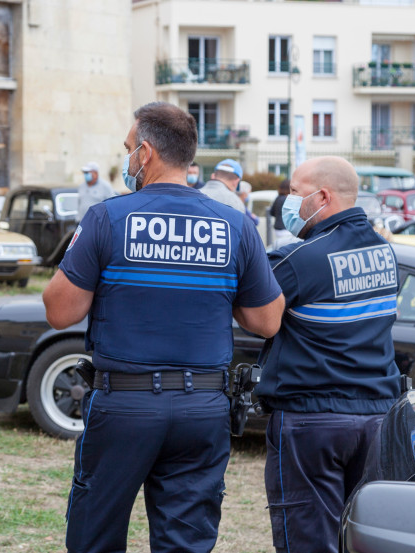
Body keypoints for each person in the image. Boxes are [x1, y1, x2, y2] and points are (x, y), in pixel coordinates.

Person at [43, 101, 285, 553]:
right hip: (202, 407)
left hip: (124, 405)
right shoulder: (235, 224)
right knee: (186, 542)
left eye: (128, 148)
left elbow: (60, 312)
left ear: (147, 154)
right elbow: (267, 321)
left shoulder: (107, 217)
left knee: (95, 533)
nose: (126, 158)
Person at [254, 156, 401, 553]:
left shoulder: (300, 260)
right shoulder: (386, 254)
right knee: (362, 538)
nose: (288, 201)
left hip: (311, 421)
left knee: (309, 540)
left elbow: (254, 315)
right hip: (376, 419)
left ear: (322, 196)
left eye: (294, 192)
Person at [270, 179, 298, 249]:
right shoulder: (288, 199)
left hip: (277, 229)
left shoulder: (278, 198)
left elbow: (271, 212)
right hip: (286, 230)